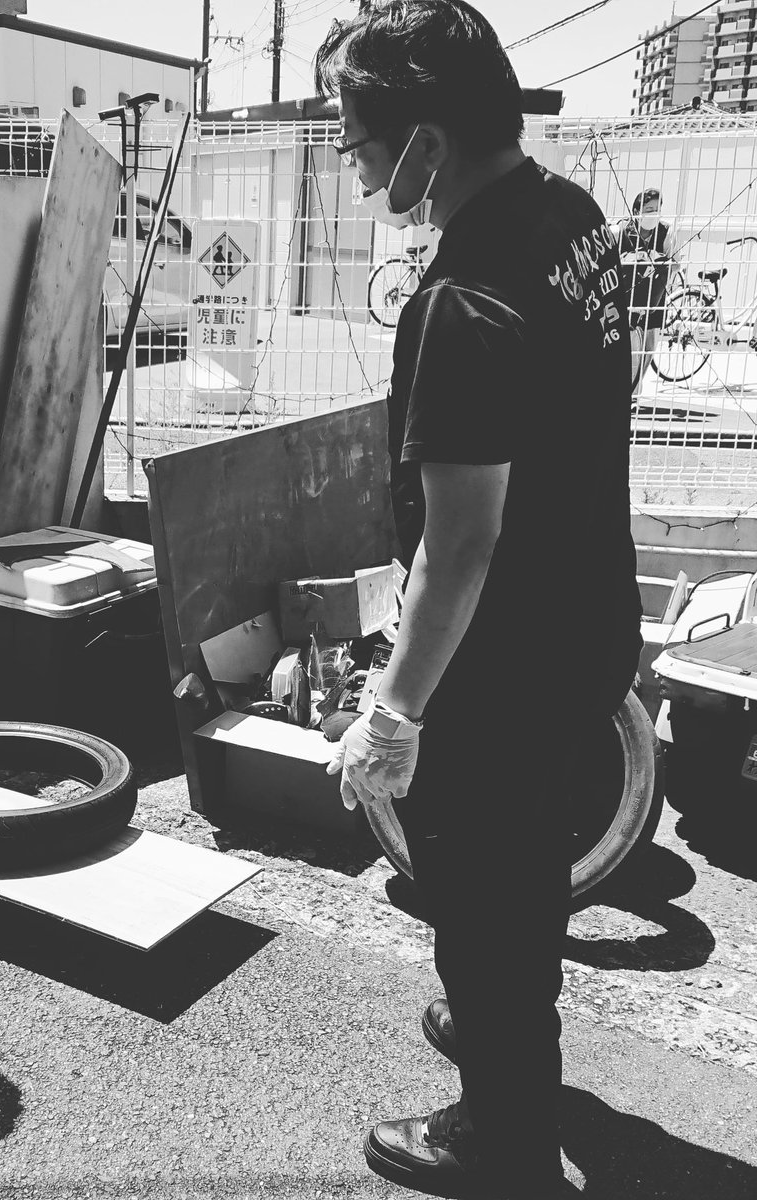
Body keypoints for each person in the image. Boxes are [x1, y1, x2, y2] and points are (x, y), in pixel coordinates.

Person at [317, 4, 640, 1197]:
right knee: (529, 865)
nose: (354, 166)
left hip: (502, 671)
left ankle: (502, 1129)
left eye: (358, 140)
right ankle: (506, 1031)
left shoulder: (462, 302)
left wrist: (394, 712)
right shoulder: (574, 218)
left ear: (427, 143)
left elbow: (461, 544)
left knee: (483, 893)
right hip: (588, 625)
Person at [616, 187, 678, 395]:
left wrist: (655, 261)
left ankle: (633, 392)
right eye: (649, 209)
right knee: (624, 348)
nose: (654, 214)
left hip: (653, 299)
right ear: (637, 211)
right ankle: (622, 392)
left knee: (647, 349)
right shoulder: (622, 230)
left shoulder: (666, 231)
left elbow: (675, 263)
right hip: (626, 300)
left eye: (657, 209)